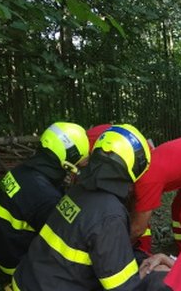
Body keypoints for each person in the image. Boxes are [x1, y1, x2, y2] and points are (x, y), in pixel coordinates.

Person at [11, 124, 152, 290]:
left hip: (26, 280)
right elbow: (123, 287)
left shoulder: (78, 191)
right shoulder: (110, 215)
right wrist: (147, 274)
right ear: (136, 166)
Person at [0, 122, 89, 275]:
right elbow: (67, 238)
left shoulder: (23, 171)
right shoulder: (45, 196)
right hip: (15, 261)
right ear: (69, 160)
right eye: (81, 161)